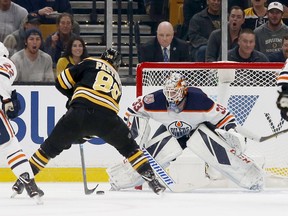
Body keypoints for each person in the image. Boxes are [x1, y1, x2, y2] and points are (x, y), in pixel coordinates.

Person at [11, 48, 166, 195]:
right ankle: (154, 182)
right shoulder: (118, 80)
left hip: (79, 113)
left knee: (48, 149)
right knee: (131, 149)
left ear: (103, 58)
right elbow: (103, 113)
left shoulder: (90, 61)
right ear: (117, 66)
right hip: (107, 119)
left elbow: (61, 81)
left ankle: (21, 182)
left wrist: (73, 96)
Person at [107, 72, 264, 191]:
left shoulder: (199, 100)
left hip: (198, 130)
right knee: (149, 160)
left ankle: (253, 179)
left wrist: (231, 131)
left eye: (174, 92)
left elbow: (224, 116)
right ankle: (119, 180)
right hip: (172, 133)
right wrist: (136, 139)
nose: (170, 96)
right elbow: (133, 111)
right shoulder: (155, 100)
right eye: (168, 92)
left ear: (183, 91)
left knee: (221, 156)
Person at [0, 42, 43, 201]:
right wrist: (6, 98)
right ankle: (30, 184)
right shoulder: (5, 62)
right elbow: (1, 79)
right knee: (9, 145)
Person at [12, 0, 80, 35]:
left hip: (57, 22)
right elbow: (24, 13)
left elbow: (69, 13)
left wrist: (60, 16)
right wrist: (39, 12)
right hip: (37, 20)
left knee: (75, 24)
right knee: (29, 22)